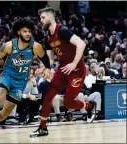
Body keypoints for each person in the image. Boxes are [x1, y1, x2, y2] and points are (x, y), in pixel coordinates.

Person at [0, 18, 51, 137]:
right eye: (25, 31)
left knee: (6, 112)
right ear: (19, 32)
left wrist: (47, 68)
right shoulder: (9, 46)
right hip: (7, 76)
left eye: (29, 31)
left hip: (21, 81)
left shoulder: (36, 47)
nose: (28, 33)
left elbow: (45, 58)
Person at [30, 7, 96, 137]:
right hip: (62, 69)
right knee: (48, 95)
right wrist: (43, 68)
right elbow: (51, 59)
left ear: (50, 17)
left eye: (43, 18)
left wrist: (73, 63)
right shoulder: (48, 38)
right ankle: (43, 128)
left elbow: (81, 44)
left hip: (76, 70)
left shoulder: (62, 30)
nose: (40, 21)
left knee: (68, 102)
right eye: (40, 19)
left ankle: (89, 106)